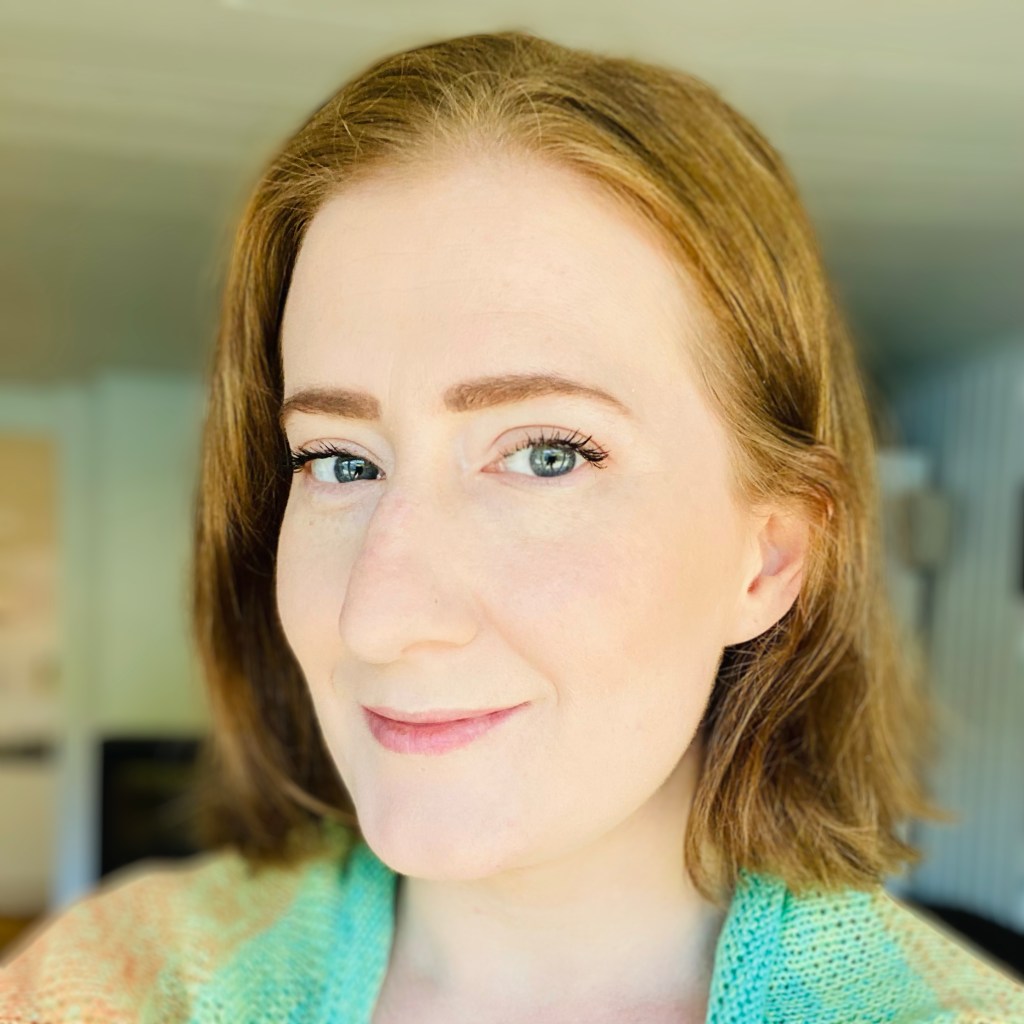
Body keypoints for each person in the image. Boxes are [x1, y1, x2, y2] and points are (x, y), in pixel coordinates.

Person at [2, 28, 1022, 1024]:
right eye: (340, 461)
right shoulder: (105, 986)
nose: (378, 617)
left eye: (547, 454)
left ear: (770, 556)